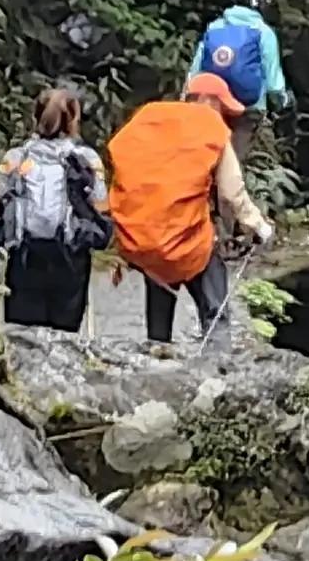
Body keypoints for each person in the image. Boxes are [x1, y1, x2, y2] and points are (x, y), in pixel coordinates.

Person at [103, 69, 272, 351]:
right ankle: (217, 371)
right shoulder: (209, 127)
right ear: (210, 101)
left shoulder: (152, 119)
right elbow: (231, 193)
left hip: (146, 241)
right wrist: (258, 226)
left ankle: (157, 358)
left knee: (158, 317)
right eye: (224, 108)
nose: (226, 117)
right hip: (189, 245)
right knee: (215, 314)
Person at [0, 84, 108, 332]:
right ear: (73, 122)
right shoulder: (87, 159)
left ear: (35, 118)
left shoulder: (15, 159)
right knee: (65, 341)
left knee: (22, 339)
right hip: (71, 258)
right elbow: (101, 207)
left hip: (24, 257)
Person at [193, 0, 293, 122]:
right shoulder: (263, 32)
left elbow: (195, 71)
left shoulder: (214, 27)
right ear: (262, 3)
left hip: (212, 107)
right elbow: (274, 86)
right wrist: (283, 102)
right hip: (249, 110)